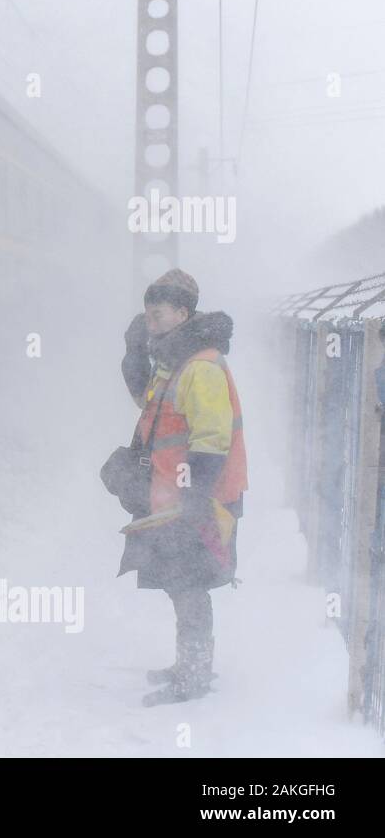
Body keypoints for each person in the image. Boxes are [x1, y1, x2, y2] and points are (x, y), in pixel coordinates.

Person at [119, 269, 248, 707]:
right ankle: (188, 665)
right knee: (179, 584)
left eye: (157, 314)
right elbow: (150, 407)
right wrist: (135, 354)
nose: (150, 321)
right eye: (146, 314)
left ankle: (193, 675)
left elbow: (212, 439)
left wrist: (193, 497)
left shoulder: (201, 366)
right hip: (176, 497)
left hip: (199, 499)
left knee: (190, 585)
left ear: (182, 313)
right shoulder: (177, 363)